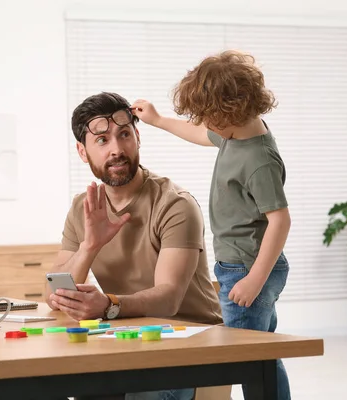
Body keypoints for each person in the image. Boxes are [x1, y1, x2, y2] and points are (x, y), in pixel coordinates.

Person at [131, 50, 292, 400]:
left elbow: (280, 220)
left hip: (249, 269)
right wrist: (158, 120)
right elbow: (201, 135)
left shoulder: (258, 159)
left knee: (243, 357)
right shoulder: (236, 133)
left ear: (230, 113)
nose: (206, 125)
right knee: (261, 353)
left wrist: (254, 279)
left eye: (209, 117)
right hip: (240, 265)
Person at [46, 91, 222, 400]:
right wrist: (90, 245)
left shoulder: (174, 205)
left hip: (189, 344)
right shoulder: (83, 209)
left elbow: (169, 300)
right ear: (82, 152)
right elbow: (52, 294)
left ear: (138, 137)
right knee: (63, 385)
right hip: (128, 342)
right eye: (102, 141)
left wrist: (109, 305)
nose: (116, 149)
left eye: (124, 135)